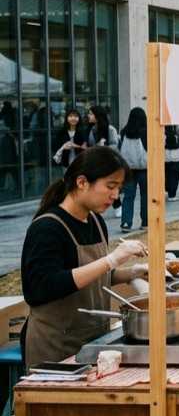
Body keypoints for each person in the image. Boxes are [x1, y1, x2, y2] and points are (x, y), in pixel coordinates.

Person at [21, 147, 149, 371]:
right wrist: (111, 259)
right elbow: (45, 286)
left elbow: (97, 277)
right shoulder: (47, 228)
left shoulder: (95, 222)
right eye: (110, 186)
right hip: (56, 349)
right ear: (81, 182)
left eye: (119, 188)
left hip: (94, 342)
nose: (115, 196)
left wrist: (135, 272)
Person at [116, 108, 148, 232]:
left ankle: (126, 222)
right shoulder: (146, 131)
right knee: (145, 195)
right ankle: (145, 221)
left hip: (128, 168)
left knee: (128, 196)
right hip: (144, 168)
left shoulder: (124, 132)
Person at [52, 108, 87, 173]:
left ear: (79, 118)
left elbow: (86, 146)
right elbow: (57, 146)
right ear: (66, 118)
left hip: (80, 162)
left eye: (76, 116)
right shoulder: (62, 132)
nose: (73, 118)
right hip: (66, 163)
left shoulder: (83, 131)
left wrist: (76, 146)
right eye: (70, 116)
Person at [163, 124, 179, 201]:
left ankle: (168, 189)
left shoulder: (161, 127)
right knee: (175, 176)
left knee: (167, 175)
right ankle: (172, 195)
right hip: (178, 154)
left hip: (165, 154)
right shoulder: (176, 126)